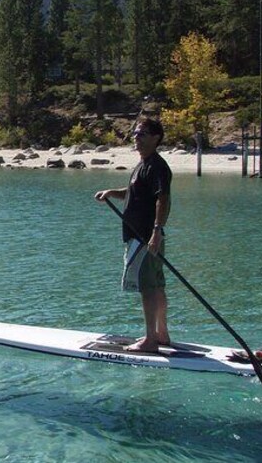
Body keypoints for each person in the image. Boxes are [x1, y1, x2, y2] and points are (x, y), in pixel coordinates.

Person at [94, 118, 172, 352]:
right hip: (144, 236)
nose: (136, 138)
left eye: (142, 134)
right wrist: (112, 193)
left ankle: (150, 341)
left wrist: (156, 231)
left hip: (146, 237)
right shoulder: (144, 165)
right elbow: (136, 193)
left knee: (148, 287)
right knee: (157, 285)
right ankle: (161, 334)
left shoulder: (157, 166)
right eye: (135, 133)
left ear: (156, 137)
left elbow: (163, 199)